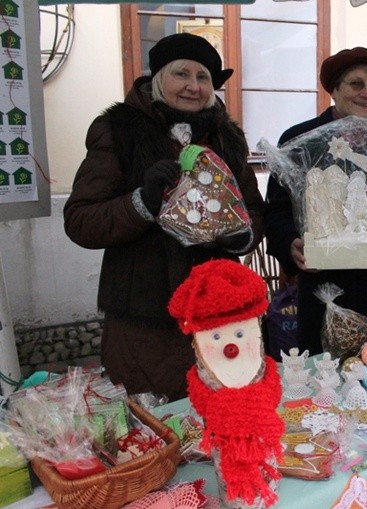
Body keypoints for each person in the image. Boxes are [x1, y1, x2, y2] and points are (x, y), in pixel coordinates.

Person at [63, 33, 265, 401]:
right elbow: (81, 220)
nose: (193, 86)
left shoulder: (227, 137)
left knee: (219, 414)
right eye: (181, 74)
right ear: (158, 78)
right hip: (145, 322)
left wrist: (240, 233)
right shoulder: (119, 130)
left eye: (203, 77)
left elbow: (253, 209)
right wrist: (143, 202)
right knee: (156, 428)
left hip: (217, 313)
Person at [264, 47, 367, 355]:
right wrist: (291, 244)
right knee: (324, 374)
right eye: (357, 83)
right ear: (334, 89)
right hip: (324, 290)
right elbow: (276, 211)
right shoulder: (300, 140)